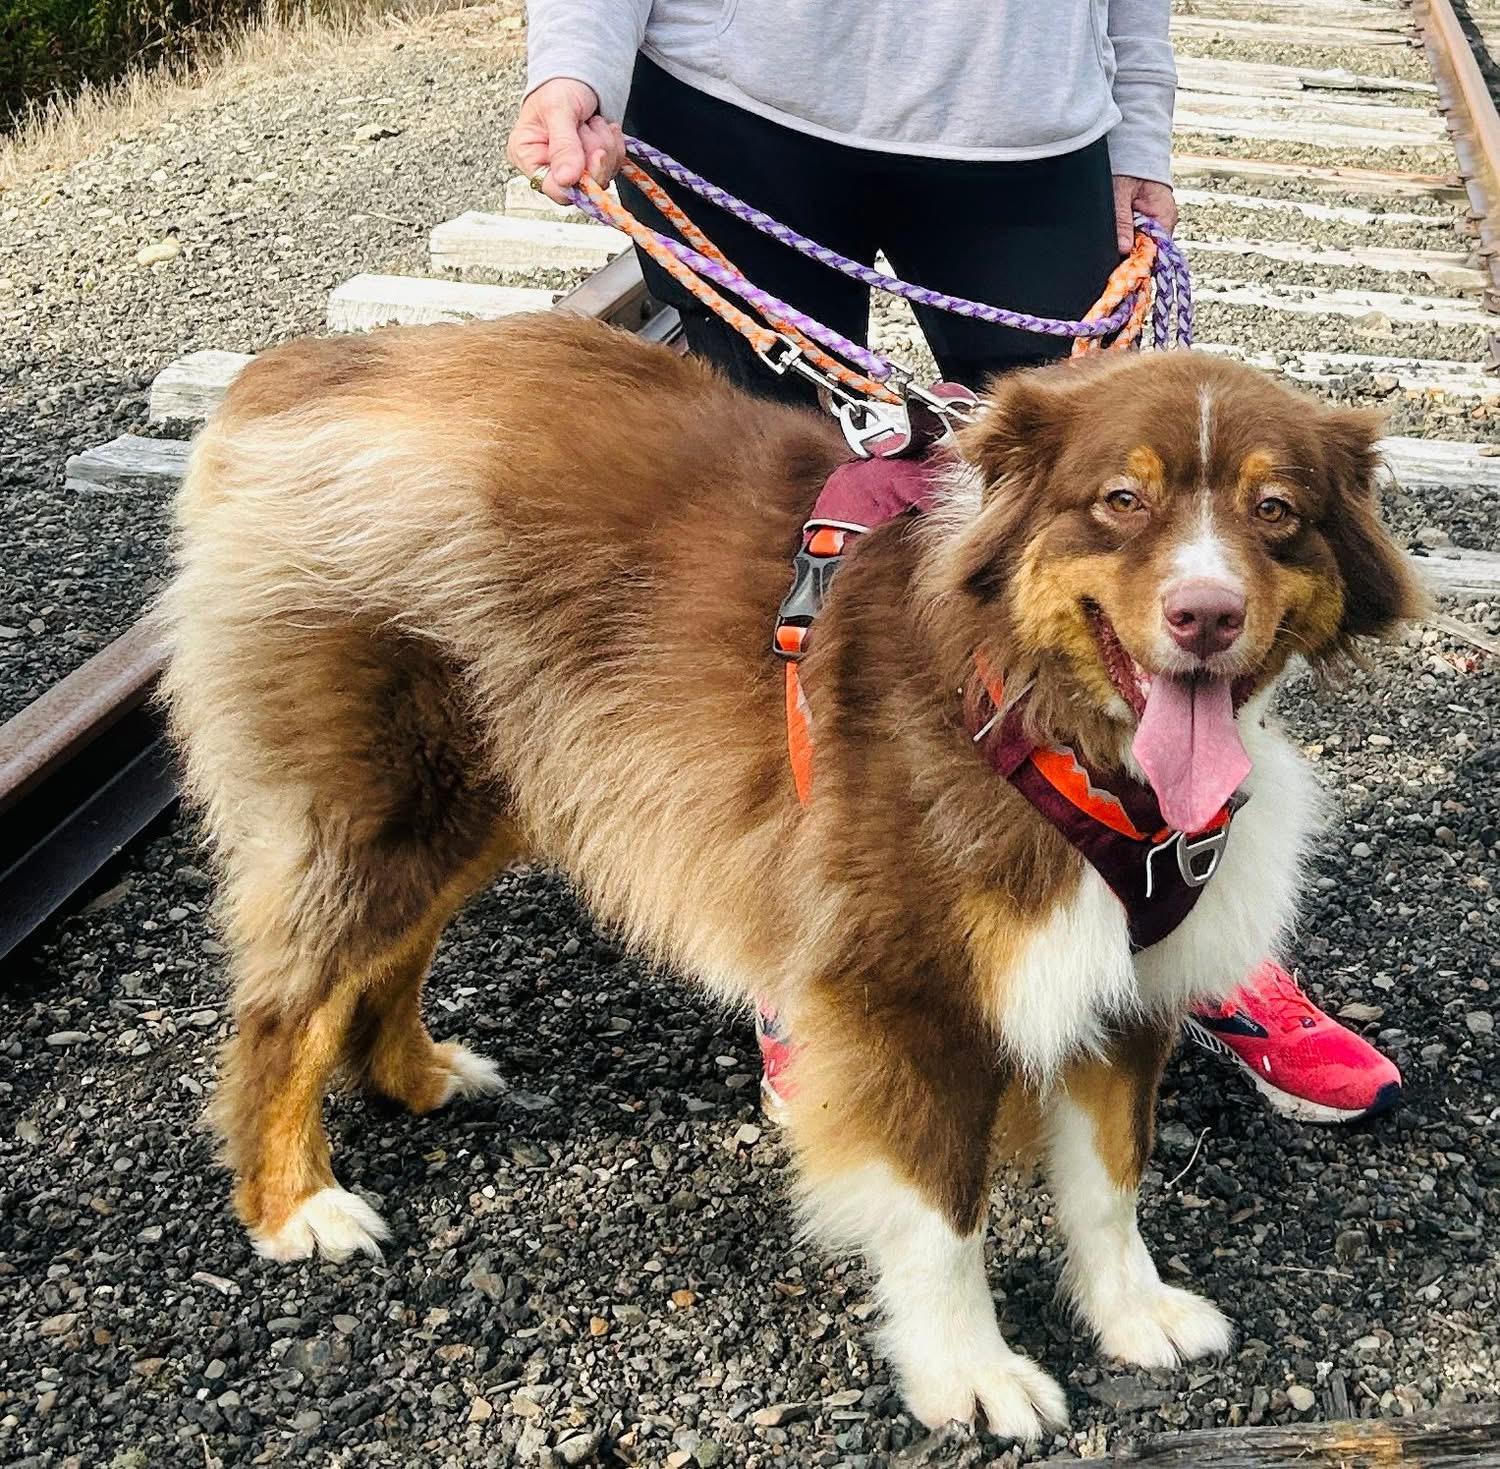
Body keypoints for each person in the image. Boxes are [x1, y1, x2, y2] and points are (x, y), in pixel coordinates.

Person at [507, 1, 1402, 1125]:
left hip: (1020, 122)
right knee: (779, 553)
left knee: (1132, 548)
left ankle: (1191, 927)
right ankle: (817, 928)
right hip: (738, 99)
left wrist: (1141, 139)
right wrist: (574, 67)